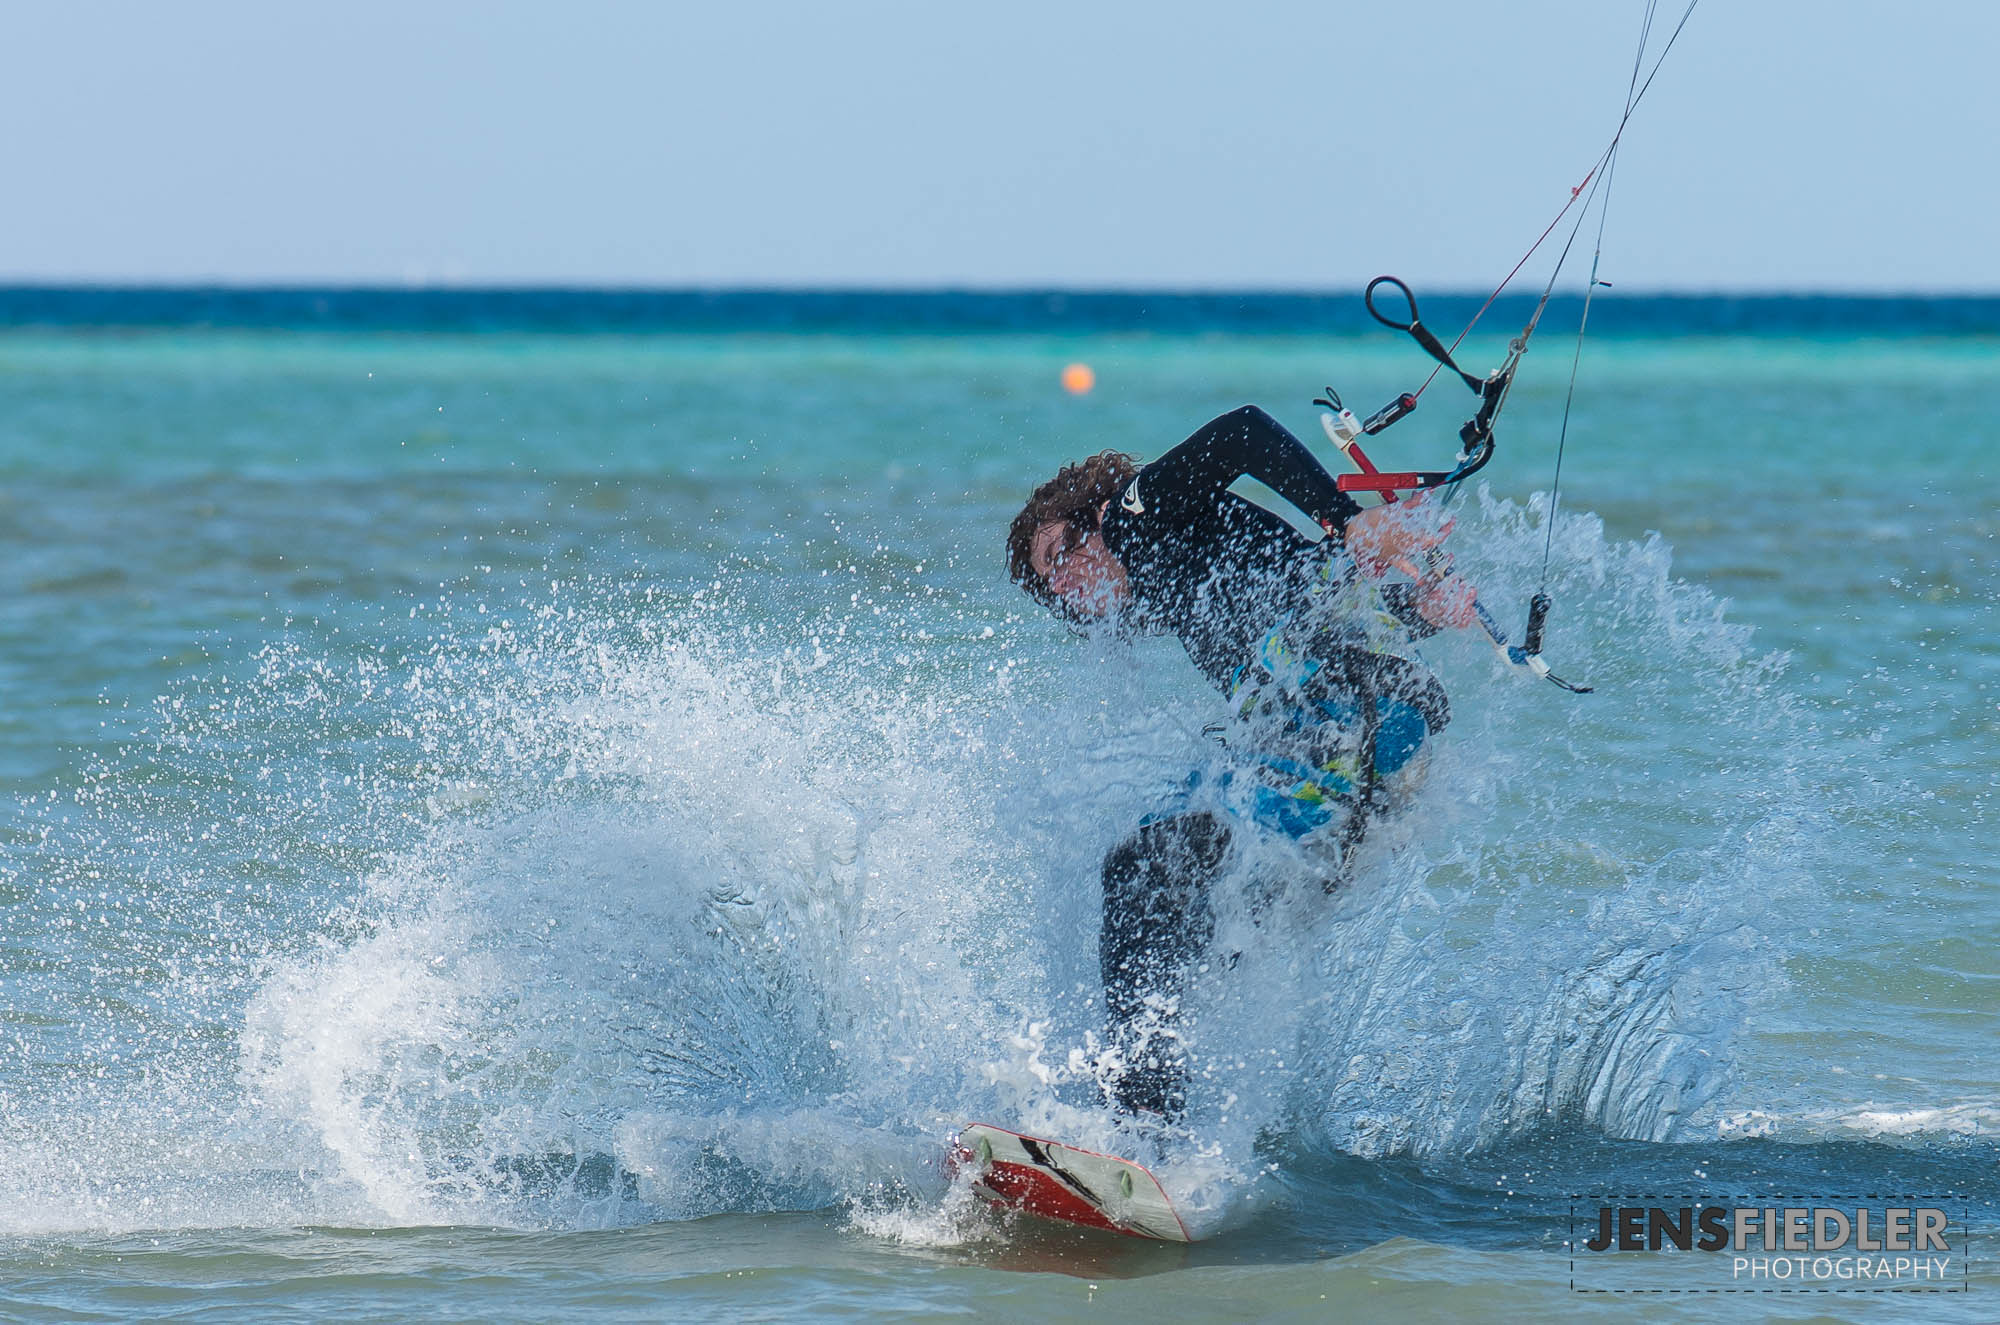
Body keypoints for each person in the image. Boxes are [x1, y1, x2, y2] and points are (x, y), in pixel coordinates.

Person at [1004, 405, 1479, 1119]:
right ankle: (1167, 1131)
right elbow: (1326, 597)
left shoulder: (1135, 518)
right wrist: (1425, 606)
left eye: (1065, 546)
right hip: (1365, 747)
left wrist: (1348, 521)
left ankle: (1138, 1127)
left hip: (1345, 734)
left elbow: (1245, 431)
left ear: (1094, 513)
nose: (1069, 578)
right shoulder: (1189, 572)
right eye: (1054, 583)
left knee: (1144, 869)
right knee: (1198, 929)